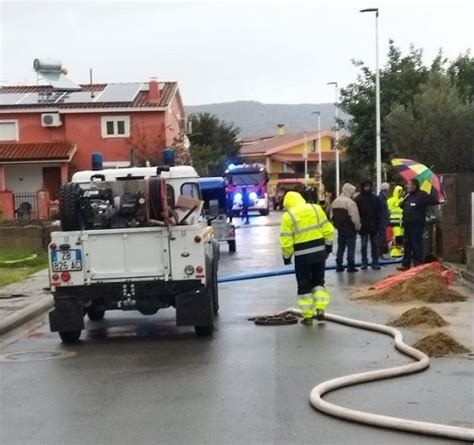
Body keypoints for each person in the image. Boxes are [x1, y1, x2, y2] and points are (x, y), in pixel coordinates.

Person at [279, 191, 334, 324]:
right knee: (319, 281)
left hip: (302, 256)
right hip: (319, 253)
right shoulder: (315, 208)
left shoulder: (288, 216)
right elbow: (328, 229)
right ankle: (320, 308)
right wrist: (328, 247)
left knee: (304, 286)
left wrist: (287, 257)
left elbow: (286, 240)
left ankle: (308, 316)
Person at [398, 178, 441, 271]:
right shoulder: (408, 196)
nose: (407, 186)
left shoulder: (422, 195)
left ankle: (418, 264)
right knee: (407, 244)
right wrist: (403, 198)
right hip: (407, 223)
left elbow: (433, 200)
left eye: (409, 185)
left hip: (417, 224)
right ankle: (406, 264)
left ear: (414, 186)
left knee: (416, 244)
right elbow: (401, 206)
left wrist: (440, 199)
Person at [331, 183, 361, 273]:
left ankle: (339, 265)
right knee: (351, 247)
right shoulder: (350, 203)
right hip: (350, 228)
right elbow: (355, 217)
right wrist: (357, 227)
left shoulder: (335, 201)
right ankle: (350, 266)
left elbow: (331, 215)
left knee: (341, 247)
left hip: (340, 228)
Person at [355, 179, 382, 270]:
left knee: (374, 244)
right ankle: (364, 262)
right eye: (365, 186)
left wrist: (379, 224)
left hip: (373, 225)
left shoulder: (375, 198)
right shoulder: (358, 199)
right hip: (363, 226)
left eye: (369, 186)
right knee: (363, 245)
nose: (367, 188)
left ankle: (375, 262)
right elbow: (356, 213)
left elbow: (379, 212)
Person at [387, 185, 404, 258]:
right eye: (399, 191)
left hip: (402, 222)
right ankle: (395, 251)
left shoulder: (403, 200)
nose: (401, 193)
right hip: (394, 221)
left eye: (401, 191)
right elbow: (387, 210)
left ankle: (399, 251)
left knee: (401, 237)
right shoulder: (390, 200)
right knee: (396, 236)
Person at [377, 182, 390, 258]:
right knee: (381, 237)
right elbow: (382, 210)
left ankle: (379, 253)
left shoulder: (382, 198)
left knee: (382, 237)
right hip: (382, 221)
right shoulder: (381, 198)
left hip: (383, 220)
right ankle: (379, 254)